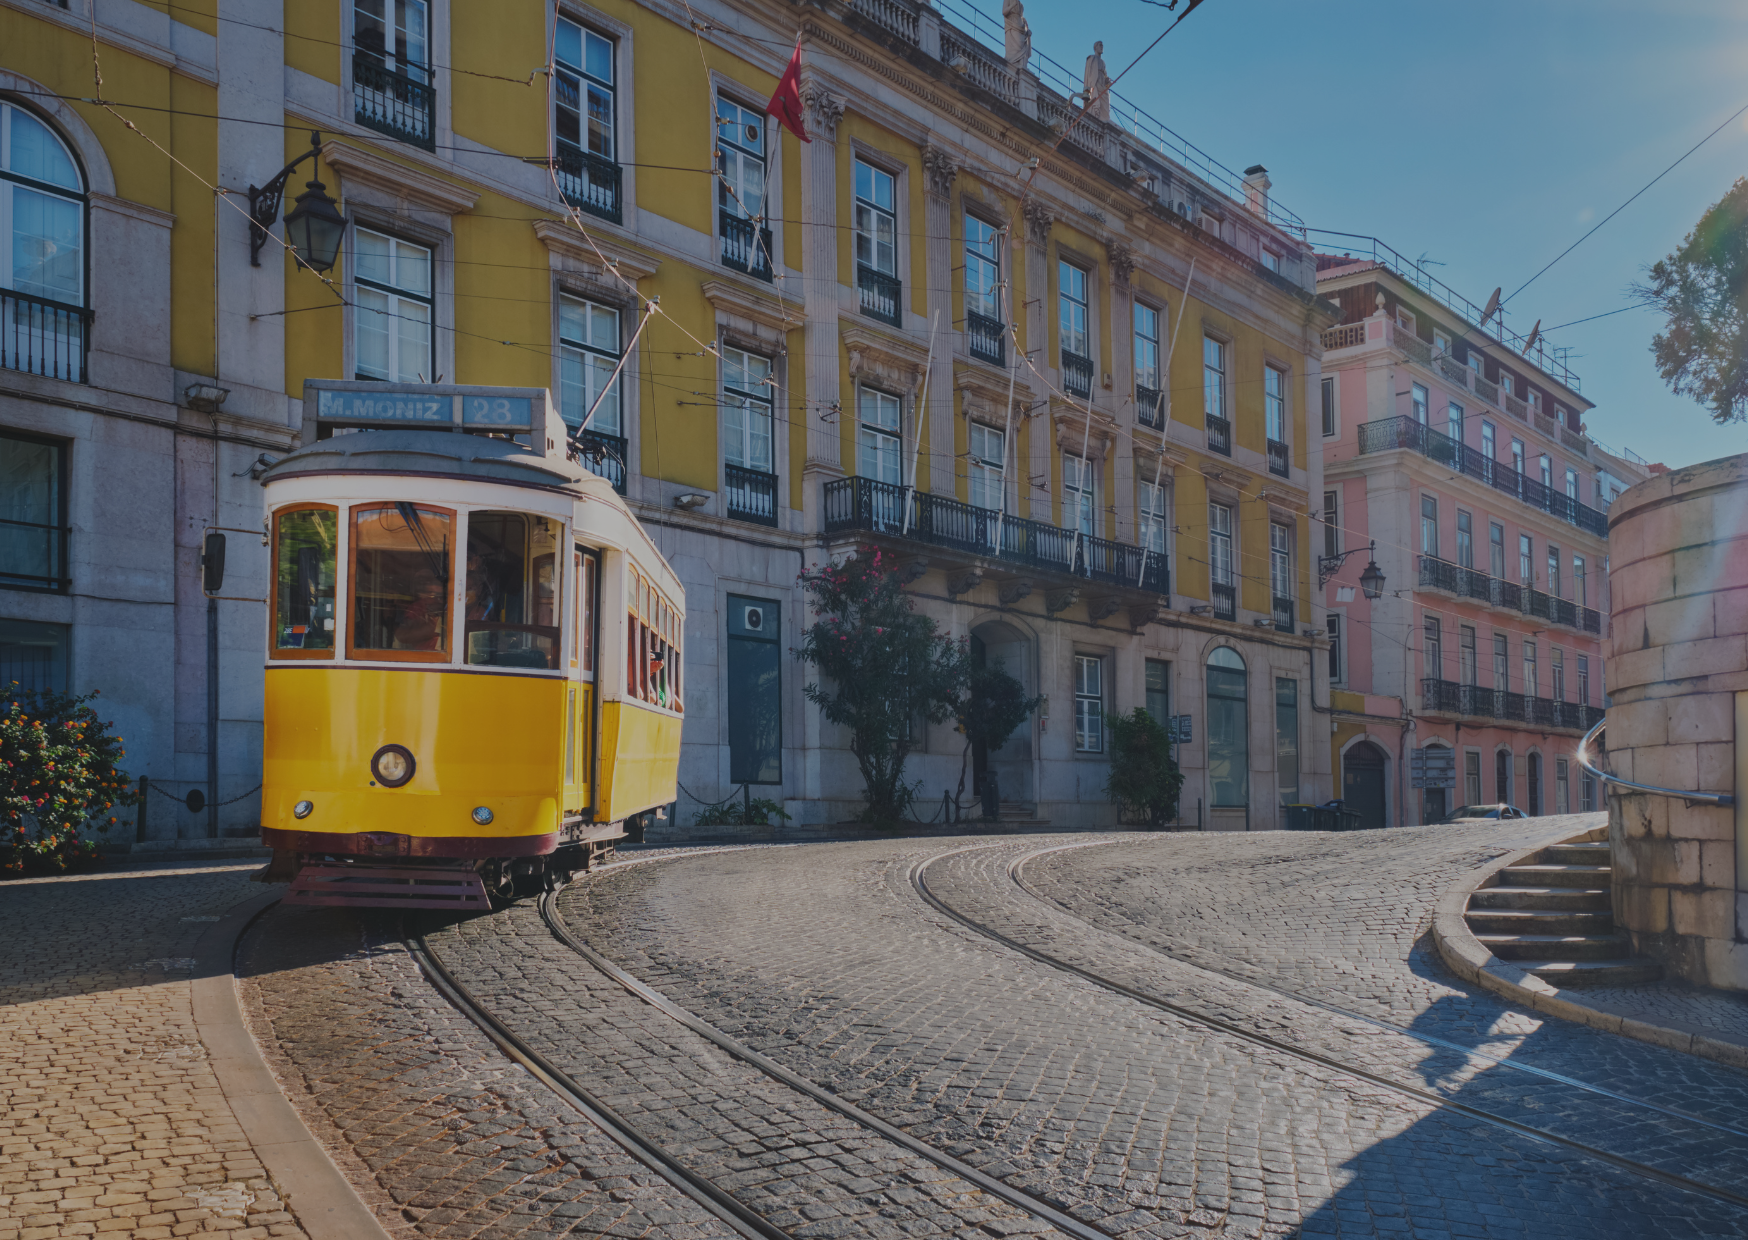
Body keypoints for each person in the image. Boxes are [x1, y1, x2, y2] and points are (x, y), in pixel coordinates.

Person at [392, 568, 445, 650]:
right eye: (432, 595)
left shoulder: (450, 610)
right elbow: (402, 636)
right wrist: (428, 630)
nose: (437, 600)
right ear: (424, 594)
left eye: (440, 596)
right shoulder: (416, 609)